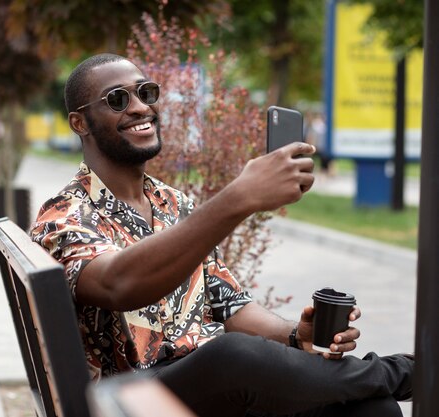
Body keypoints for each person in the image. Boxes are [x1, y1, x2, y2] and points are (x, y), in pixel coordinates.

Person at [30, 53, 413, 417]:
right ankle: (402, 373)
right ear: (80, 123)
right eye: (117, 99)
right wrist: (238, 197)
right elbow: (119, 284)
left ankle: (387, 381)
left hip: (212, 391)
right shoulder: (62, 217)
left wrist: (296, 334)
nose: (140, 107)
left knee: (370, 409)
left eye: (146, 93)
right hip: (129, 400)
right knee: (231, 356)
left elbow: (229, 304)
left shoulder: (172, 202)